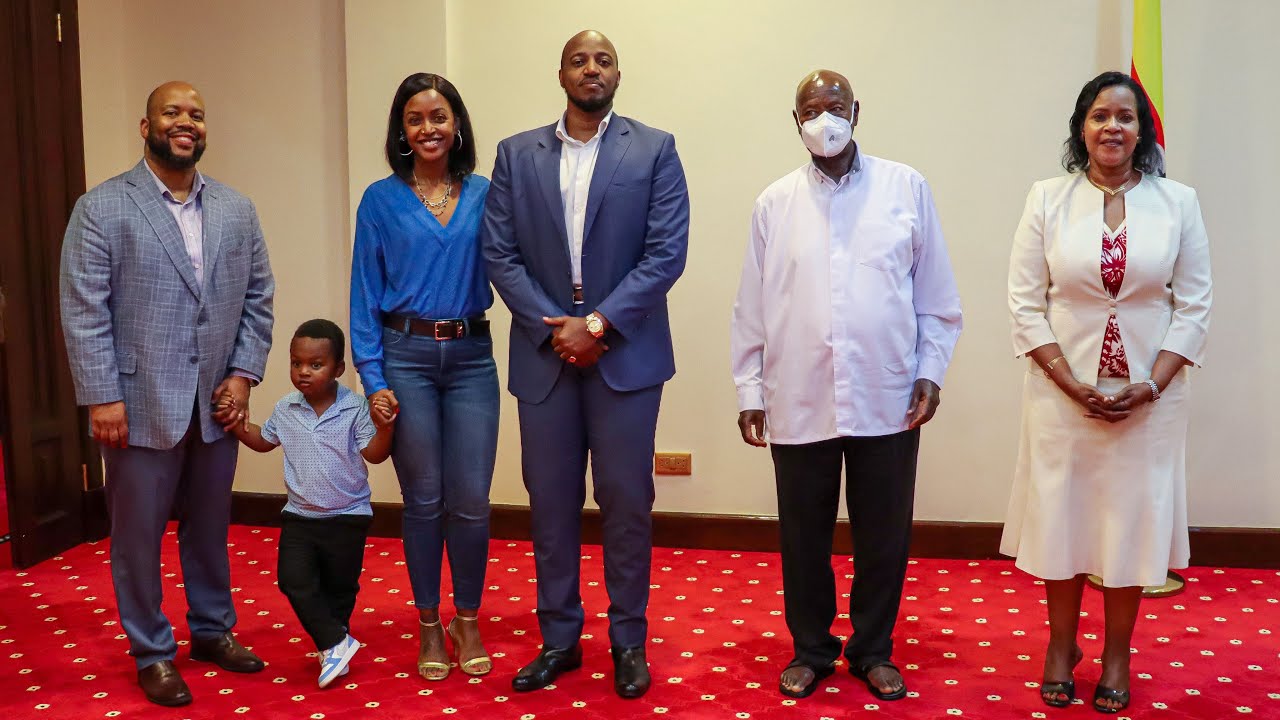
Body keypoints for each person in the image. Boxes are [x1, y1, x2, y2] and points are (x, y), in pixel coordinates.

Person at [730, 70, 962, 702]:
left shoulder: (904, 188)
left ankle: (872, 649)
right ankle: (811, 649)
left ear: (857, 111)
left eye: (835, 106)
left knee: (884, 532)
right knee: (801, 533)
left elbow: (936, 298)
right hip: (797, 392)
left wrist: (930, 370)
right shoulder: (773, 203)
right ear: (796, 120)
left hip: (886, 394)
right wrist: (750, 390)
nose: (823, 118)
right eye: (811, 108)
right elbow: (751, 306)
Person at [481, 29, 689, 699]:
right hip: (546, 354)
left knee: (627, 503)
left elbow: (666, 253)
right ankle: (560, 640)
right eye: (580, 59)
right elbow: (500, 254)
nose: (591, 69)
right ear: (561, 73)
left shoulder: (655, 149)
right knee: (550, 505)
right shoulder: (516, 155)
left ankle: (629, 640)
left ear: (618, 74)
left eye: (603, 60)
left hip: (624, 351)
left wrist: (597, 324)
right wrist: (558, 330)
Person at [59, 81, 275, 707]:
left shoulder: (237, 209)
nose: (187, 122)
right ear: (145, 125)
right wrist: (101, 395)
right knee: (138, 535)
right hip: (137, 399)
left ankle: (211, 630)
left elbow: (259, 296)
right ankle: (152, 649)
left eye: (197, 115)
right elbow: (83, 309)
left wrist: (244, 373)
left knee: (209, 528)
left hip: (217, 403)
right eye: (173, 112)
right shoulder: (101, 208)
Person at [1002, 71, 1212, 714]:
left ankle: (1117, 655)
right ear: (1081, 128)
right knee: (1063, 520)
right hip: (1063, 397)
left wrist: (1151, 384)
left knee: (1131, 526)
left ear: (1142, 131)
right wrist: (1069, 383)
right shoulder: (1045, 199)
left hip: (1148, 399)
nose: (1112, 127)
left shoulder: (1179, 203)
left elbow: (1195, 305)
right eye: (1099, 116)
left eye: (1125, 116)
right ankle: (1060, 647)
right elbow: (1024, 302)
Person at [349, 73, 498, 682]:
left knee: (470, 501)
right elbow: (362, 297)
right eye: (415, 119)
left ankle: (468, 617)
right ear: (401, 132)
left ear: (456, 124)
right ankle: (430, 622)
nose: (428, 128)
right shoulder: (380, 201)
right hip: (404, 358)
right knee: (424, 499)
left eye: (439, 116)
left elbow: (517, 266)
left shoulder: (488, 193)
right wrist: (372, 376)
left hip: (471, 360)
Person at [221, 320, 394, 687]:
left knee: (340, 588)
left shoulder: (355, 408)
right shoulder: (286, 408)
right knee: (293, 580)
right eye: (296, 363)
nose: (303, 372)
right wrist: (236, 425)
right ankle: (336, 642)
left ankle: (335, 648)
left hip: (348, 516)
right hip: (300, 516)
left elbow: (375, 455)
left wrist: (386, 427)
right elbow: (264, 440)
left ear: (338, 370)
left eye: (315, 365)